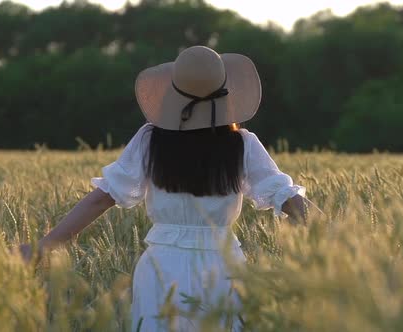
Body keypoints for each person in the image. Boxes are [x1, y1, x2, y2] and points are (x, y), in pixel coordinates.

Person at [18, 46, 311, 331]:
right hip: (221, 266)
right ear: (226, 94)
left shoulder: (151, 140)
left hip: (161, 268)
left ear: (174, 93)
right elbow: (287, 197)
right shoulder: (243, 144)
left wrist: (44, 246)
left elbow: (101, 199)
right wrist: (338, 244)